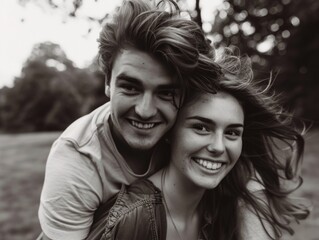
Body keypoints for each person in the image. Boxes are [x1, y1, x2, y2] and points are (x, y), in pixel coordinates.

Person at [37, 0, 220, 239]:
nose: (145, 111)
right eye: (131, 88)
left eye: (165, 93)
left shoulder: (192, 129)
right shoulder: (77, 159)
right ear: (107, 83)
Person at [86, 48, 310, 240]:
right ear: (170, 132)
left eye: (232, 132)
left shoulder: (225, 201)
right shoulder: (133, 219)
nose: (219, 147)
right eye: (202, 127)